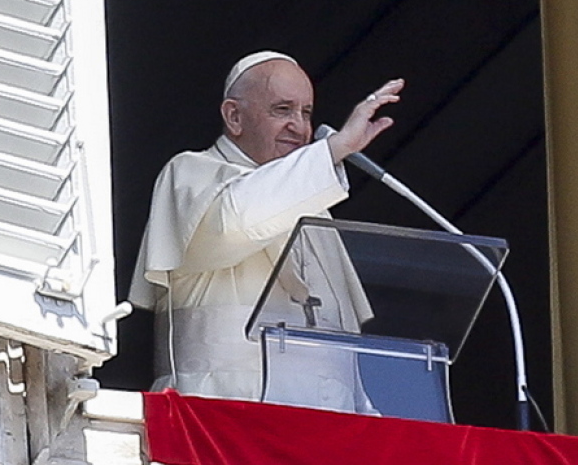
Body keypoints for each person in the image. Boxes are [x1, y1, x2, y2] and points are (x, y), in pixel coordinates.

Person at [128, 50, 403, 404]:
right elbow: (236, 221)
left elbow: (343, 351)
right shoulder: (190, 174)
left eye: (306, 113)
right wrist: (333, 150)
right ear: (234, 116)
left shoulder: (315, 204)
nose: (300, 127)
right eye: (282, 110)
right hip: (221, 418)